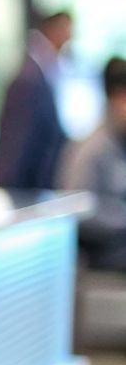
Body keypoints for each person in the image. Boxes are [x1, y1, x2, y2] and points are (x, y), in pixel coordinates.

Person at [0, 9, 73, 191]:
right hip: (24, 190)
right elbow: (15, 143)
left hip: (35, 187)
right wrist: (10, 190)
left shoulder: (44, 69)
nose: (69, 38)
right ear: (54, 28)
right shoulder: (30, 78)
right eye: (67, 30)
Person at [59, 57, 126, 270]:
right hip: (103, 254)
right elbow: (77, 210)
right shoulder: (93, 149)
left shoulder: (119, 142)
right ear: (115, 98)